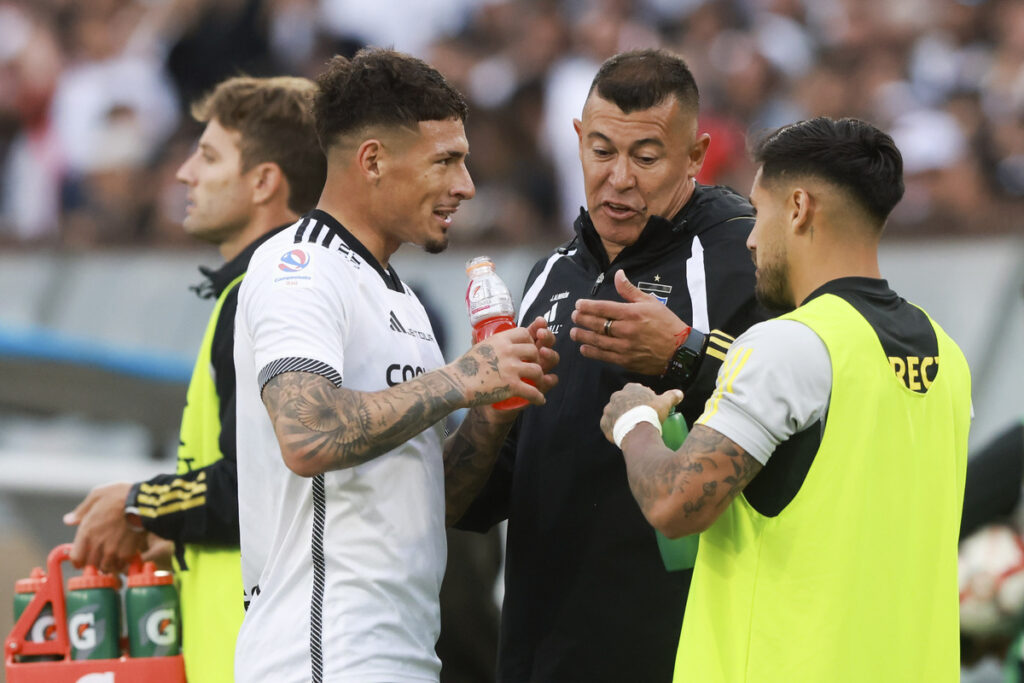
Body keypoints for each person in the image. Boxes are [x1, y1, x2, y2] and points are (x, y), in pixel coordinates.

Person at [601, 116, 972, 682]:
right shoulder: (948, 356)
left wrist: (635, 424)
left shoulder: (788, 344)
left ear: (798, 208)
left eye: (759, 210)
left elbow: (677, 503)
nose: (749, 236)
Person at [231, 48, 558, 682]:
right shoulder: (298, 266)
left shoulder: (400, 296)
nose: (465, 185)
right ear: (373, 160)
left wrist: (492, 412)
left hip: (401, 651)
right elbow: (308, 434)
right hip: (320, 654)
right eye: (446, 161)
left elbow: (431, 503)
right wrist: (462, 379)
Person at [455, 49, 765, 682]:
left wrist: (683, 353)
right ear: (576, 141)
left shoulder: (743, 254)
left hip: (680, 654)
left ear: (695, 156)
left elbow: (797, 411)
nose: (619, 178)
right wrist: (487, 411)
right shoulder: (549, 275)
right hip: (541, 655)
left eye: (646, 158)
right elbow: (487, 497)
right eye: (601, 152)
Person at [62, 75, 327, 683]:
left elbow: (253, 486)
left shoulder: (265, 295)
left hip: (260, 660)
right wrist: (174, 532)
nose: (184, 174)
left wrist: (139, 504)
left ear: (264, 182)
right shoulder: (261, 288)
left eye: (207, 156)